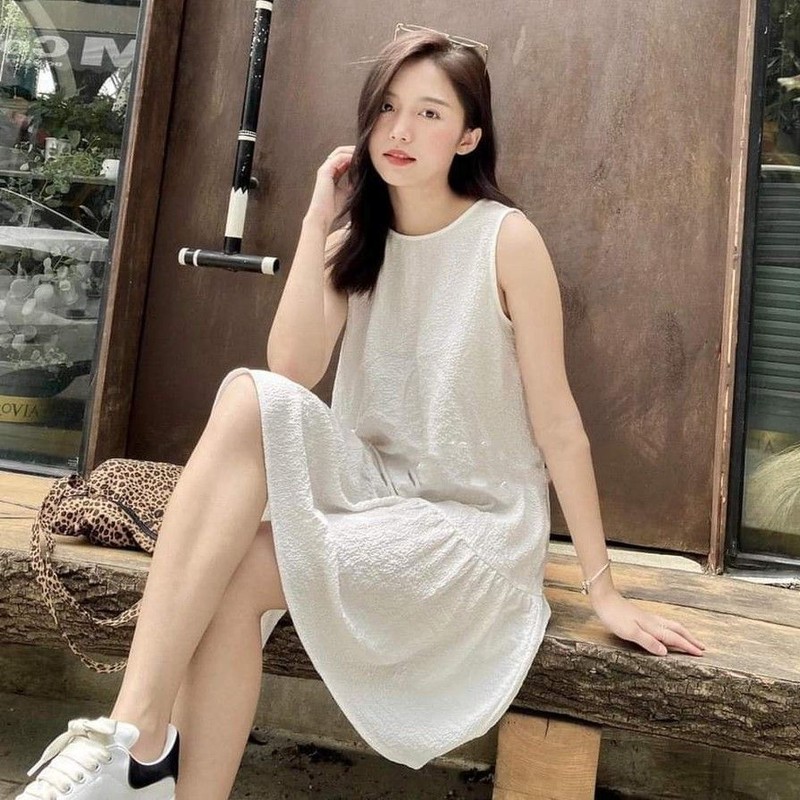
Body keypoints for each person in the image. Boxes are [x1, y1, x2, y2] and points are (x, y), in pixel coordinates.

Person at [15, 26, 707, 800]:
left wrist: (603, 587)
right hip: (373, 492)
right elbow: (291, 370)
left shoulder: (506, 241)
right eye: (387, 107)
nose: (400, 131)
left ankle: (140, 758)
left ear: (470, 136)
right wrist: (315, 225)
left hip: (469, 522)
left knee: (240, 575)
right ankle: (134, 736)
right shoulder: (358, 240)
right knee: (247, 394)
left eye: (429, 114)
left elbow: (559, 426)